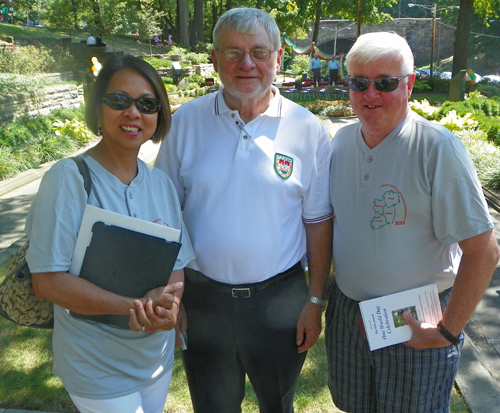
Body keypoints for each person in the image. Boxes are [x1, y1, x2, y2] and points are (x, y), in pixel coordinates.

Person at [154, 7, 332, 413]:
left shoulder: (307, 130)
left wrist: (316, 301)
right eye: (233, 53)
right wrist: (173, 293)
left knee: (278, 404)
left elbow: (318, 222)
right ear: (214, 60)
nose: (247, 64)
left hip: (280, 301)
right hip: (202, 302)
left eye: (258, 52)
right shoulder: (186, 123)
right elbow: (164, 213)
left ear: (279, 57)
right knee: (213, 407)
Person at [326, 31, 500, 413]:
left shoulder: (438, 148)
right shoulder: (339, 143)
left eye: (385, 83)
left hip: (414, 319)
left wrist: (446, 331)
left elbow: (484, 251)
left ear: (410, 84)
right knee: (353, 406)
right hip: (348, 309)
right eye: (359, 83)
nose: (370, 94)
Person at [25, 55, 195, 413]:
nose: (133, 113)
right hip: (95, 365)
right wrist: (136, 308)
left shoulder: (161, 185)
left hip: (155, 361)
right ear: (98, 108)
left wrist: (171, 305)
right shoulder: (67, 179)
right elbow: (48, 282)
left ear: (158, 115)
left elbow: (176, 267)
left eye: (147, 104)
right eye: (119, 101)